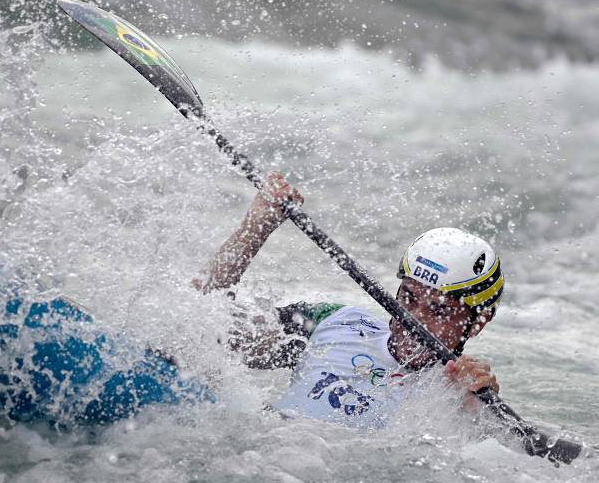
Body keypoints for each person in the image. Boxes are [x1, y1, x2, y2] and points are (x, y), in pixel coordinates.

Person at [193, 172, 504, 426]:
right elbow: (197, 326)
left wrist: (475, 414)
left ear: (478, 322)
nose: (414, 320)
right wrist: (255, 228)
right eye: (408, 298)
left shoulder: (460, 397)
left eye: (438, 310)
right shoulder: (331, 322)